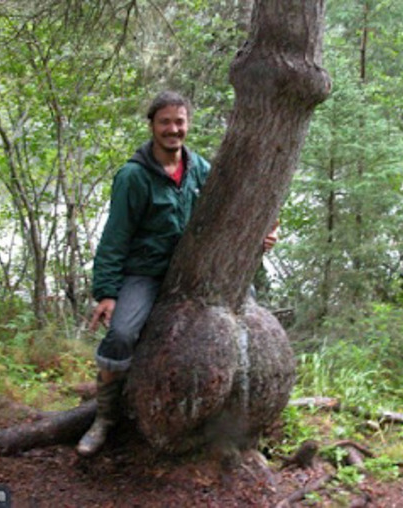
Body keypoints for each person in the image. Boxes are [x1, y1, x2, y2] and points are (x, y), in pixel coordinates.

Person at [77, 91, 277, 457]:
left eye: (179, 122)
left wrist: (260, 237)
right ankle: (105, 419)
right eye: (165, 122)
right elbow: (114, 237)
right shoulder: (133, 177)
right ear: (152, 125)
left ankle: (238, 424)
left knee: (245, 317)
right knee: (121, 335)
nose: (173, 129)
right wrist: (107, 292)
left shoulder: (200, 169)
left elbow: (228, 218)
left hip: (197, 270)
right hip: (148, 272)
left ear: (188, 125)